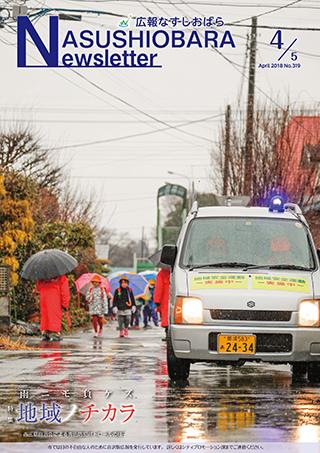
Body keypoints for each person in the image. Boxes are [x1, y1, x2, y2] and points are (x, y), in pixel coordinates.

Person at [36, 274, 70, 342]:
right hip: (55, 297)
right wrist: (65, 304)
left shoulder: (41, 276)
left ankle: (45, 332)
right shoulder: (61, 277)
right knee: (54, 315)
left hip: (44, 296)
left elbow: (38, 287)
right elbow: (65, 291)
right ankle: (54, 333)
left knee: (45, 315)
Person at [154, 269, 170, 340]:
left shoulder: (162, 273)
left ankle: (168, 334)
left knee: (166, 317)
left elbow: (159, 287)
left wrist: (157, 300)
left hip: (165, 299)